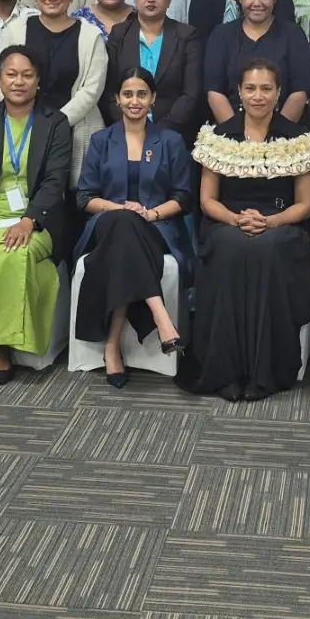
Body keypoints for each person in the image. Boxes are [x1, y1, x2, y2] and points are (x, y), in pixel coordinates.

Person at [187, 60, 310, 401]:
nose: (258, 96)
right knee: (233, 248)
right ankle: (225, 370)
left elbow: (305, 205)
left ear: (278, 93)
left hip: (282, 224)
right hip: (227, 222)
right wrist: (237, 220)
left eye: (266, 89)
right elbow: (207, 201)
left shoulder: (299, 137)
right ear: (239, 92)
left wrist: (270, 222)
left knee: (265, 248)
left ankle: (267, 371)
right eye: (251, 88)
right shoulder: (218, 135)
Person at [0, 45, 75, 384]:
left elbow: (55, 179)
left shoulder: (55, 123)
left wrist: (29, 220)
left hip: (37, 216)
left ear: (38, 81)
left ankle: (3, 346)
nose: (18, 81)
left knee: (15, 253)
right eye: (11, 74)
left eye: (27, 75)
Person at [73, 68, 194, 385]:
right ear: (116, 99)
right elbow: (85, 197)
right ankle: (162, 318)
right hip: (105, 224)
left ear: (153, 99)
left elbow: (184, 196)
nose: (135, 100)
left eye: (142, 94)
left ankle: (111, 345)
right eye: (128, 94)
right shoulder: (102, 140)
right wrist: (123, 208)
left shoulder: (170, 141)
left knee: (126, 243)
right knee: (123, 223)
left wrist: (150, 214)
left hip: (156, 228)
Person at [0, 0, 107, 179]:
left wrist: (56, 123)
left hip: (74, 127)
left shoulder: (90, 35)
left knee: (73, 199)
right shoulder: (15, 30)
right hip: (21, 126)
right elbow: (1, 80)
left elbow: (92, 89)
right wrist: (26, 119)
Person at [103, 0, 204, 144]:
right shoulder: (119, 34)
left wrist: (159, 131)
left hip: (173, 133)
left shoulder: (186, 36)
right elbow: (108, 90)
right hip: (124, 131)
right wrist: (129, 125)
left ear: (169, 0)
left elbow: (190, 93)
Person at [203, 0, 310, 125]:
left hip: (284, 137)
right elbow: (214, 91)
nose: (257, 3)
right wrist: (236, 136)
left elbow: (299, 92)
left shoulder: (293, 34)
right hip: (230, 136)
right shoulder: (222, 35)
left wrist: (276, 135)